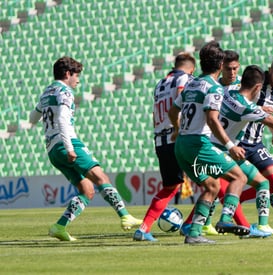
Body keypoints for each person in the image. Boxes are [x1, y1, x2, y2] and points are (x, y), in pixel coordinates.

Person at [29, 56, 142, 241]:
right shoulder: (64, 92)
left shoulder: (47, 92)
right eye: (77, 75)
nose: (78, 80)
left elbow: (33, 118)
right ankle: (125, 216)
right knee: (100, 177)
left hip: (52, 150)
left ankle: (59, 227)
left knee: (87, 190)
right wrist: (69, 147)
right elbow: (62, 120)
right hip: (67, 144)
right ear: (67, 74)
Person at [168, 41, 250, 244]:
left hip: (181, 146)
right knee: (239, 177)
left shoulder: (191, 83)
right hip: (198, 143)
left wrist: (178, 130)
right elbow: (212, 120)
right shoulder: (214, 88)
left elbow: (172, 111)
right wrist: (231, 146)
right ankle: (225, 220)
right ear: (221, 64)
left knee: (212, 186)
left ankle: (194, 233)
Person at [133, 52, 196, 242]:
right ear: (192, 68)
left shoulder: (160, 83)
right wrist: (179, 129)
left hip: (160, 140)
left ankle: (143, 228)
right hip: (178, 138)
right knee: (214, 183)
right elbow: (180, 103)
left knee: (170, 187)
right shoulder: (185, 79)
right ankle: (190, 225)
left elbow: (155, 114)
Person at [238, 56, 273, 234]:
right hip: (239, 141)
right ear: (270, 70)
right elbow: (240, 102)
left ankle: (236, 198)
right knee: (258, 182)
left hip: (256, 143)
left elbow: (270, 117)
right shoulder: (256, 83)